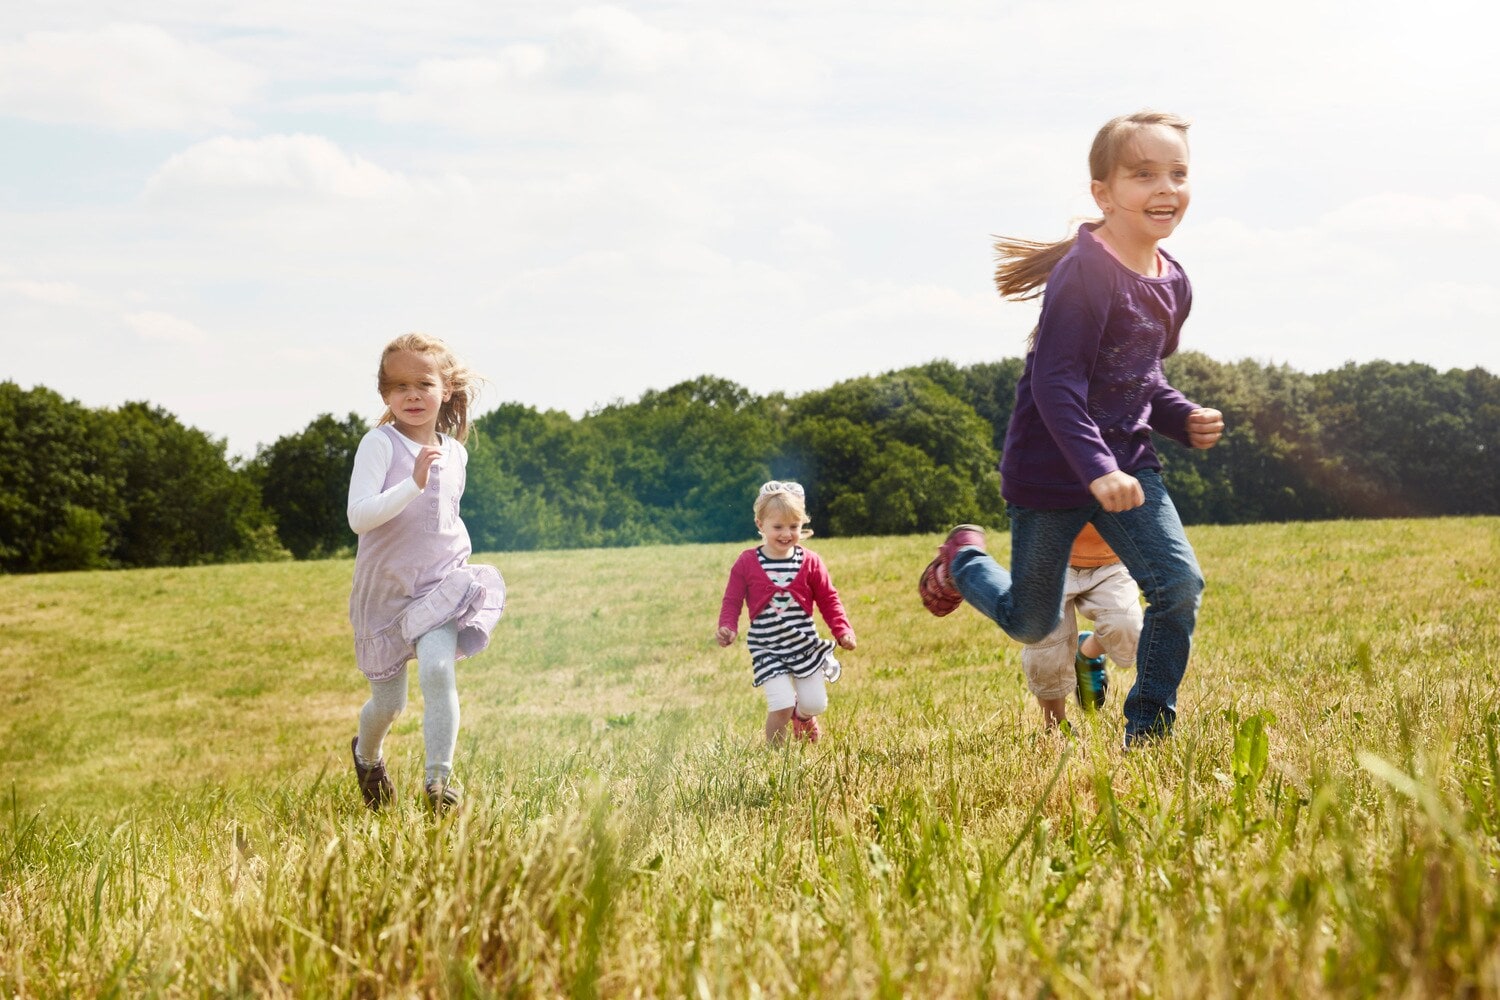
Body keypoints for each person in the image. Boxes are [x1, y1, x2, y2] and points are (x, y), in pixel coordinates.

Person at [919, 110, 1224, 747]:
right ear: (1103, 194)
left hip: (1128, 466)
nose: (1165, 188)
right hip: (1050, 472)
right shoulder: (1084, 273)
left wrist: (1179, 415)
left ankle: (1147, 732)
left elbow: (1140, 378)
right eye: (1143, 175)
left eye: (1178, 173)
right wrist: (1097, 468)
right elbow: (1057, 384)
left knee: (1179, 587)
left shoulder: (1174, 281)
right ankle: (965, 561)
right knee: (1031, 622)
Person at [346, 332, 505, 811]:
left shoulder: (456, 453)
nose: (411, 396)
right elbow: (359, 517)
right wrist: (413, 484)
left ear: (446, 389)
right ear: (384, 395)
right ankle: (367, 755)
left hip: (439, 582)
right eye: (398, 388)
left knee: (439, 672)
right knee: (389, 705)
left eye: (423, 384)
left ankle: (439, 786)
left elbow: (444, 517)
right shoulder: (380, 444)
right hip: (385, 591)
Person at [717, 481, 856, 745]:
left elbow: (828, 598)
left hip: (804, 644)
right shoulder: (747, 562)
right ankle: (776, 760)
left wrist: (842, 630)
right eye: (778, 527)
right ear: (760, 524)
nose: (786, 534)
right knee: (780, 705)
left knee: (815, 704)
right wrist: (728, 627)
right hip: (767, 647)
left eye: (794, 526)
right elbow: (732, 600)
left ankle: (802, 716)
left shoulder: (811, 561)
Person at [1020, 523, 1143, 731]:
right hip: (1048, 558)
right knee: (1045, 651)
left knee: (1127, 626)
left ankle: (1086, 652)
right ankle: (1055, 726)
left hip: (1110, 558)